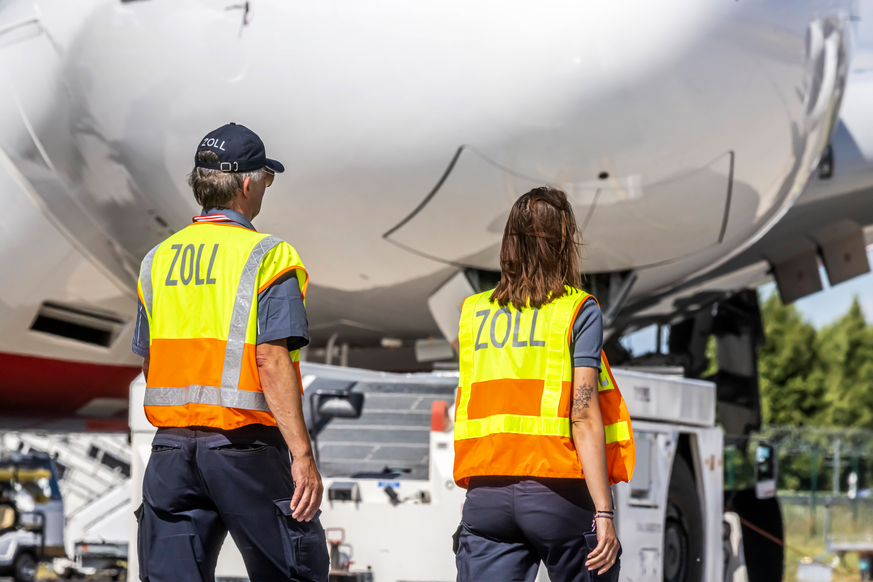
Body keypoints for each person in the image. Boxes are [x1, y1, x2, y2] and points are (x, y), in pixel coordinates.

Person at [131, 122, 329, 582]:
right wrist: (302, 455)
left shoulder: (157, 259)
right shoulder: (268, 256)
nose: (265, 187)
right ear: (246, 183)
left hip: (171, 453)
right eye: (266, 178)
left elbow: (150, 361)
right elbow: (271, 359)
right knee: (293, 569)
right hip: (244, 448)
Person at [452, 186, 635, 582]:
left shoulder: (474, 313)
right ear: (564, 243)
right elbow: (582, 415)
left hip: (485, 499)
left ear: (509, 243)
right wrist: (604, 511)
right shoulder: (576, 310)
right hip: (557, 496)